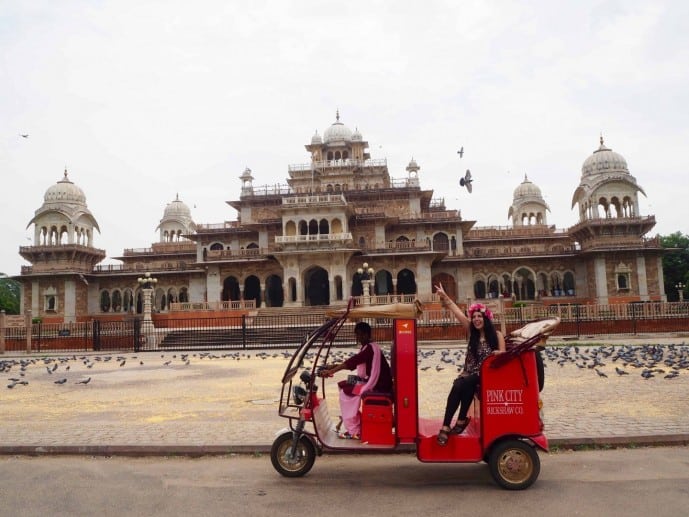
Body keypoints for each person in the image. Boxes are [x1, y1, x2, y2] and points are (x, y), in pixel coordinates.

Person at [435, 283, 506, 446]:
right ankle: (453, 423)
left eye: (479, 317)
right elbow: (457, 312)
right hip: (471, 375)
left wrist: (498, 354)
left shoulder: (496, 335)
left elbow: (504, 354)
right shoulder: (472, 332)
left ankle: (453, 423)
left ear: (486, 318)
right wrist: (444, 296)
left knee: (461, 384)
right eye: (474, 317)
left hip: (487, 375)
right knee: (461, 384)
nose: (476, 319)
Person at [319, 321, 393, 439]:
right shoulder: (369, 347)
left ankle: (354, 429)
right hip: (372, 381)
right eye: (357, 335)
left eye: (360, 335)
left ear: (367, 335)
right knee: (345, 384)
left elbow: (351, 362)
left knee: (345, 394)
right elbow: (353, 363)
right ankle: (354, 421)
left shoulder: (369, 348)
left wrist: (331, 371)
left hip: (376, 385)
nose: (358, 337)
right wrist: (332, 367)